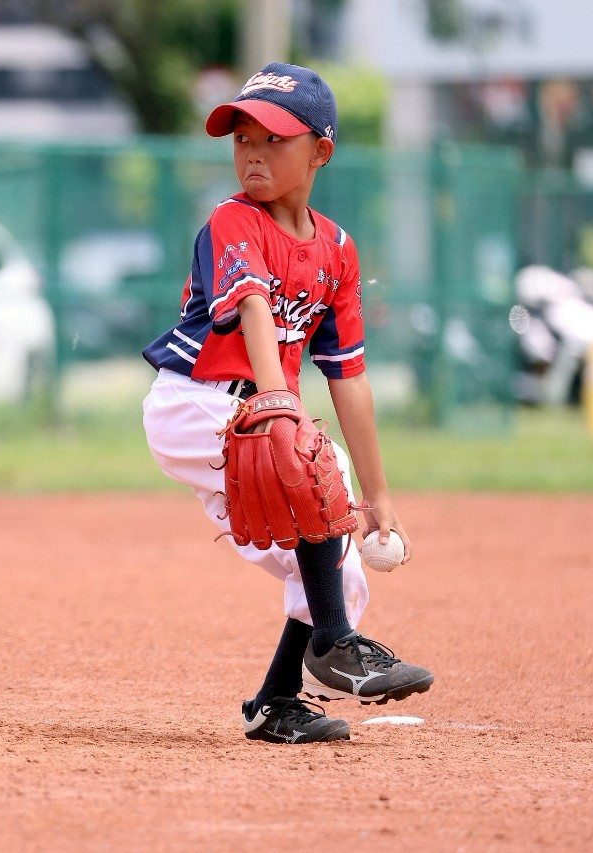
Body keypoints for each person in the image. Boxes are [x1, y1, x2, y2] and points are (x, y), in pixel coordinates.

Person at [141, 62, 433, 744]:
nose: (252, 152)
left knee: (339, 560)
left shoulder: (336, 250)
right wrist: (278, 399)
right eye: (242, 136)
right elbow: (251, 306)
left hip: (263, 419)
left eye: (274, 138)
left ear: (320, 152)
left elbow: (349, 375)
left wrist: (380, 494)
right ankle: (335, 642)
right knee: (312, 476)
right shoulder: (232, 220)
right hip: (194, 405)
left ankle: (276, 700)